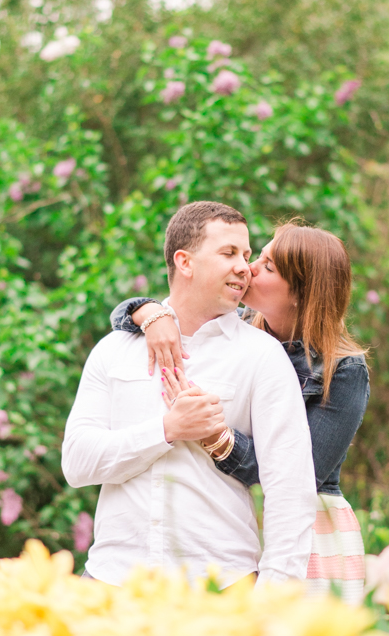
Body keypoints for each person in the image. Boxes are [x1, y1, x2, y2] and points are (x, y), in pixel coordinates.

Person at [62, 201, 317, 588]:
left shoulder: (263, 357)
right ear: (185, 262)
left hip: (221, 586)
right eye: (229, 253)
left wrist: (273, 598)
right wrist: (167, 430)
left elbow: (290, 488)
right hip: (112, 583)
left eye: (247, 256)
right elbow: (78, 464)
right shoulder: (114, 351)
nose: (245, 268)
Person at [111, 222, 370, 604]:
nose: (248, 268)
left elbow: (297, 476)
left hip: (308, 530)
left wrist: (215, 436)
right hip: (235, 522)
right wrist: (150, 314)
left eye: (267, 267)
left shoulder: (342, 371)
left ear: (300, 292)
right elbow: (123, 316)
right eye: (256, 257)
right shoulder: (239, 336)